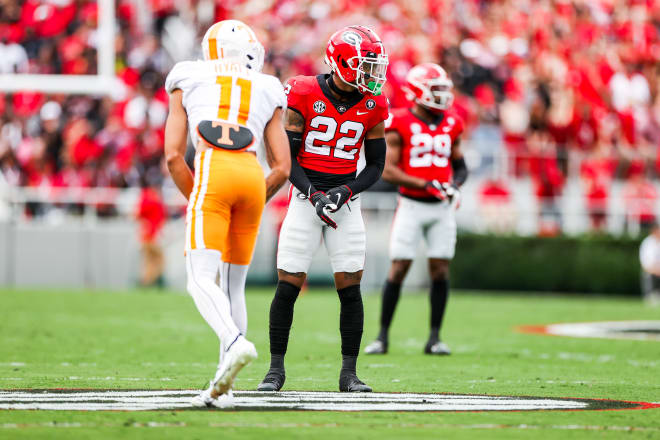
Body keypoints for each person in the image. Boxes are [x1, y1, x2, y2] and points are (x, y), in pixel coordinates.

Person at [164, 19, 291, 408]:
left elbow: (172, 155)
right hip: (252, 175)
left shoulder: (187, 74)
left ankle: (235, 342)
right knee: (234, 285)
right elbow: (283, 167)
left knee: (200, 278)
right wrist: (254, 194)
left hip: (213, 170)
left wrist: (198, 198)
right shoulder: (268, 86)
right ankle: (225, 387)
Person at [257, 25, 389, 393]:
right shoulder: (303, 91)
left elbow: (376, 165)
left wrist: (346, 191)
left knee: (350, 286)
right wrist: (314, 194)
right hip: (304, 199)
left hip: (346, 203)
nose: (372, 73)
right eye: (366, 64)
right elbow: (288, 157)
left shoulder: (374, 103)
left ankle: (350, 374)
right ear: (341, 62)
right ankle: (275, 371)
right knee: (288, 284)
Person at [364, 63, 467, 356]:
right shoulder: (399, 121)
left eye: (443, 89)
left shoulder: (452, 122)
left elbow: (460, 165)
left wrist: (455, 185)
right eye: (436, 90)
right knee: (399, 268)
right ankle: (382, 336)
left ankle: (435, 337)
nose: (442, 96)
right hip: (410, 205)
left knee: (440, 269)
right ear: (417, 91)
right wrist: (427, 183)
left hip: (441, 209)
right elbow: (388, 170)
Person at [639, 222, 660, 306]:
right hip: (651, 271)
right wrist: (656, 270)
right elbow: (646, 264)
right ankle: (649, 296)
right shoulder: (647, 243)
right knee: (647, 275)